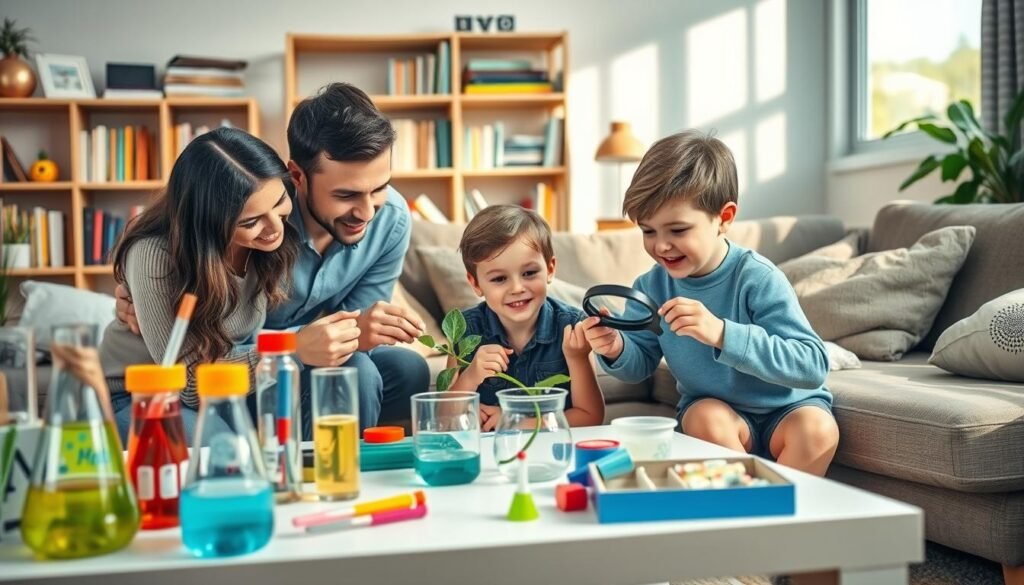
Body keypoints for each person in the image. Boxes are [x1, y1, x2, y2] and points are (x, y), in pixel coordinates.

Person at [116, 83, 430, 435]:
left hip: (258, 365)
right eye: (346, 194)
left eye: (379, 188)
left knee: (395, 367)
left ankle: (345, 472)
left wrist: (341, 336)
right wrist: (297, 347)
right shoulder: (254, 225)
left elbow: (349, 331)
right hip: (163, 386)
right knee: (217, 440)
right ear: (297, 178)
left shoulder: (271, 222)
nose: (367, 211)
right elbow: (190, 378)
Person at [582, 130, 839, 476]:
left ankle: (770, 520)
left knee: (818, 429)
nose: (661, 246)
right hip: (717, 415)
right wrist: (615, 348)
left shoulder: (758, 277)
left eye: (678, 230)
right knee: (704, 415)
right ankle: (742, 508)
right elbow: (638, 364)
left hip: (788, 409)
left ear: (725, 218)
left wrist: (721, 333)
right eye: (648, 231)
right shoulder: (652, 285)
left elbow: (811, 365)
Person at [101, 127, 300, 442]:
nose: (276, 228)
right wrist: (293, 351)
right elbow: (190, 384)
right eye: (250, 222)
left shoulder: (261, 247)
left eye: (279, 202)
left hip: (222, 388)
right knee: (226, 451)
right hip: (142, 395)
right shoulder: (154, 255)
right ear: (208, 222)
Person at [450, 205, 604, 431]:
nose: (517, 288)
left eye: (529, 273)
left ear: (550, 269)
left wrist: (516, 422)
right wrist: (470, 376)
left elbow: (590, 416)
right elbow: (443, 419)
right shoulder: (464, 329)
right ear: (475, 284)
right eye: (499, 279)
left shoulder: (571, 327)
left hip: (553, 451)